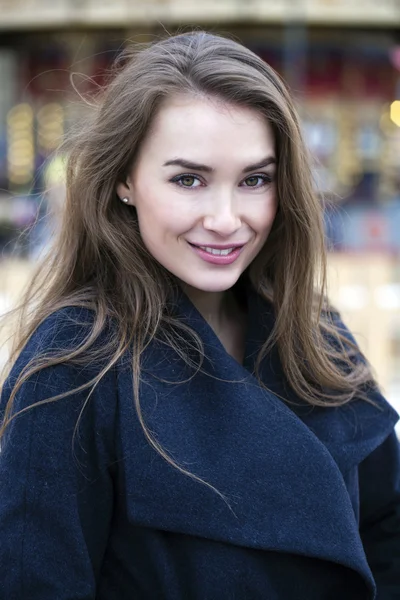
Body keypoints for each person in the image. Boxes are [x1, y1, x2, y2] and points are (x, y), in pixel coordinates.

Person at [0, 31, 399, 600]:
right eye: (189, 179)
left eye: (254, 180)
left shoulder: (311, 330)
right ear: (124, 181)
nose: (225, 218)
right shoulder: (72, 366)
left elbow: (387, 528)